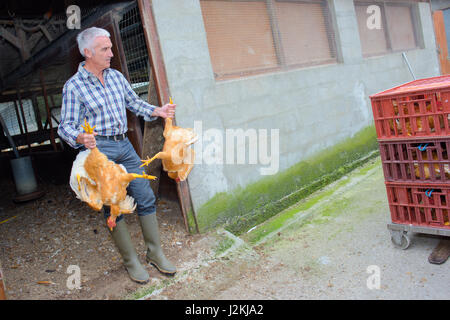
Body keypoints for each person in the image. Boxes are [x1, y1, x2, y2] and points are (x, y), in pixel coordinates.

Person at [58, 27, 176, 284]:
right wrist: (80, 137)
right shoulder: (74, 87)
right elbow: (65, 126)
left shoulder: (115, 77)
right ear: (87, 53)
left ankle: (154, 253)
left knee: (144, 195)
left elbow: (134, 103)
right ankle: (131, 262)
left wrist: (158, 110)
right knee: (114, 204)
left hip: (124, 145)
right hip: (99, 151)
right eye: (105, 49)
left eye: (111, 48)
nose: (111, 53)